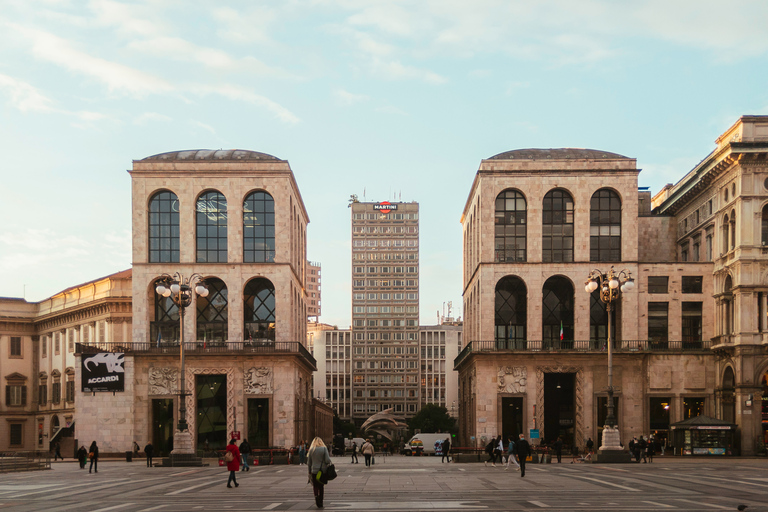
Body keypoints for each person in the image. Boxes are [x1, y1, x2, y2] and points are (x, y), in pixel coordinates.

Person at [307, 436, 332, 509]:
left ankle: (316, 497)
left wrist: (309, 472)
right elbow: (327, 460)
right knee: (321, 486)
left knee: (315, 485)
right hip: (322, 471)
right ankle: (320, 501)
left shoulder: (311, 450)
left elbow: (309, 463)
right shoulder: (324, 449)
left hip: (314, 471)